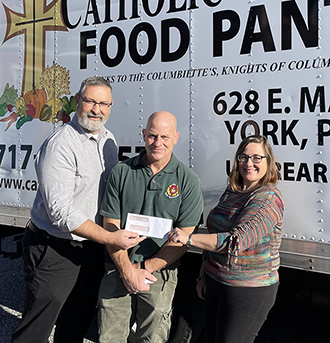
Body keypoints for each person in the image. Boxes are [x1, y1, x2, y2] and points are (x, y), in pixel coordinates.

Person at [11, 76, 148, 343]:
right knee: (36, 328)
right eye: (91, 101)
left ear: (111, 106)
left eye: (104, 104)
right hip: (55, 250)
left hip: (91, 247)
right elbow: (60, 210)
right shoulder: (61, 144)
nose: (97, 109)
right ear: (77, 102)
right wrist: (110, 238)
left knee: (77, 321)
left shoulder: (108, 139)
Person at [98, 111, 204, 343]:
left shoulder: (188, 181)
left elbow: (183, 239)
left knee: (151, 337)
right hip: (118, 265)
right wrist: (127, 270)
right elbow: (110, 227)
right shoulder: (121, 172)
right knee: (109, 336)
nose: (158, 143)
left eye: (165, 137)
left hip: (160, 271)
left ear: (175, 137)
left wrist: (143, 267)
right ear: (144, 135)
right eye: (153, 136)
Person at [168, 134, 284, 343]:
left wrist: (189, 239)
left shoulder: (267, 198)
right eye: (243, 157)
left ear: (269, 161)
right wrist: (203, 276)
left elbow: (235, 242)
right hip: (215, 280)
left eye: (257, 158)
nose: (249, 163)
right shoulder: (233, 191)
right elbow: (214, 232)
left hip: (248, 289)